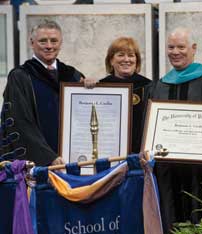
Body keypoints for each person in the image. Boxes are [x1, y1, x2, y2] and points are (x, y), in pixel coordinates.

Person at [149, 27, 202, 234]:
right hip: (168, 170)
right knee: (171, 220)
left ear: (193, 48)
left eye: (181, 47)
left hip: (201, 170)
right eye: (171, 47)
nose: (175, 52)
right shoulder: (159, 85)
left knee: (201, 222)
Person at [1, 19, 95, 166]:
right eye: (43, 41)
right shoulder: (20, 76)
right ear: (32, 43)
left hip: (71, 162)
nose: (49, 46)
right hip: (38, 165)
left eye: (54, 41)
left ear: (61, 43)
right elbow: (20, 122)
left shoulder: (72, 75)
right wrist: (48, 157)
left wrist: (92, 90)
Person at [99, 37, 152, 153]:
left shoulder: (148, 87)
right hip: (108, 152)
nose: (126, 59)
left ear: (136, 61)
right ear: (111, 60)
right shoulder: (100, 87)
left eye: (131, 55)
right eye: (121, 55)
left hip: (139, 154)